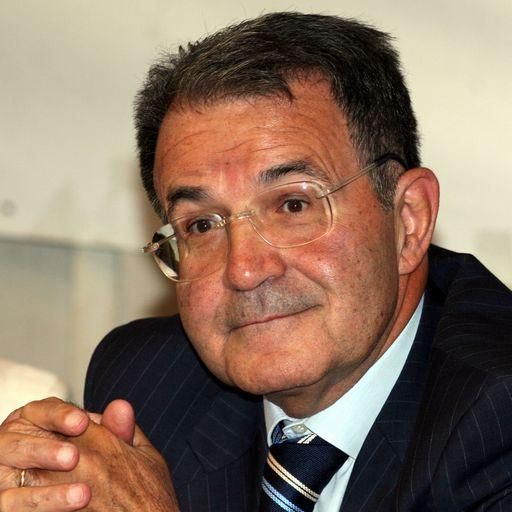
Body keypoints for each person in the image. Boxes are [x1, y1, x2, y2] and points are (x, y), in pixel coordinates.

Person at [1, 11, 511, 512]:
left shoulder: (497, 420)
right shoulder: (148, 380)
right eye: (202, 225)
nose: (244, 270)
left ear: (408, 220)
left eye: (293, 205)